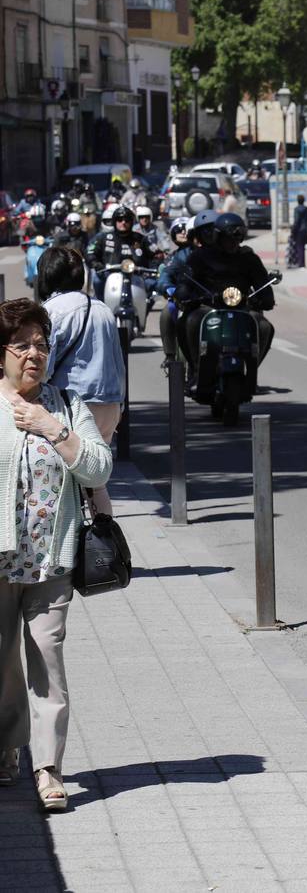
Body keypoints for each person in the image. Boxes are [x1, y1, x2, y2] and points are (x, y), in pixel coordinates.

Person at [0, 298, 114, 810]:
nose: (33, 354)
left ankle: (48, 768)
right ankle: (8, 747)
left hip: (51, 560)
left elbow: (98, 469)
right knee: (2, 663)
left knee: (47, 658)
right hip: (1, 560)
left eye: (41, 345)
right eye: (21, 344)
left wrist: (51, 426)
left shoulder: (66, 404)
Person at [36, 247, 124, 516]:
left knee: (62, 480)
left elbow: (43, 367)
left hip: (72, 408)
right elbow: (118, 364)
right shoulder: (103, 310)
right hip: (109, 405)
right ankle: (104, 548)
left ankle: (70, 549)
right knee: (96, 482)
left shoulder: (51, 311)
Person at [184, 212, 276, 369]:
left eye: (237, 238)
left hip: (242, 309)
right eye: (228, 238)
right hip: (209, 308)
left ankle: (251, 368)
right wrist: (187, 295)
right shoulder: (201, 257)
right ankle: (196, 367)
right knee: (190, 322)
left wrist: (264, 298)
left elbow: (262, 284)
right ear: (218, 237)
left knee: (264, 327)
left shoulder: (249, 258)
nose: (233, 242)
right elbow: (186, 282)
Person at [85, 206, 152, 296]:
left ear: (131, 222)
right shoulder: (103, 237)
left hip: (137, 276)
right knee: (97, 279)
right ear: (114, 221)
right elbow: (90, 252)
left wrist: (153, 267)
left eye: (127, 220)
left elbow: (156, 255)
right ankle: (100, 304)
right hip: (108, 274)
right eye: (120, 220)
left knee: (152, 283)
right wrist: (96, 264)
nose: (123, 223)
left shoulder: (140, 239)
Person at [157, 217, 193, 359]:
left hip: (207, 299)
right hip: (182, 299)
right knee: (166, 314)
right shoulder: (175, 257)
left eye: (186, 230)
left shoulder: (211, 254)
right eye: (179, 230)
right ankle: (170, 354)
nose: (183, 233)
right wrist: (167, 287)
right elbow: (165, 275)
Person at [287, 193, 307, 268]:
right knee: (304, 245)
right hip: (306, 229)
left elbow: (296, 221)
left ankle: (301, 263)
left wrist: (293, 230)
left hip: (299, 230)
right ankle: (304, 262)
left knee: (299, 246)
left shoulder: (296, 209)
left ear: (298, 201)